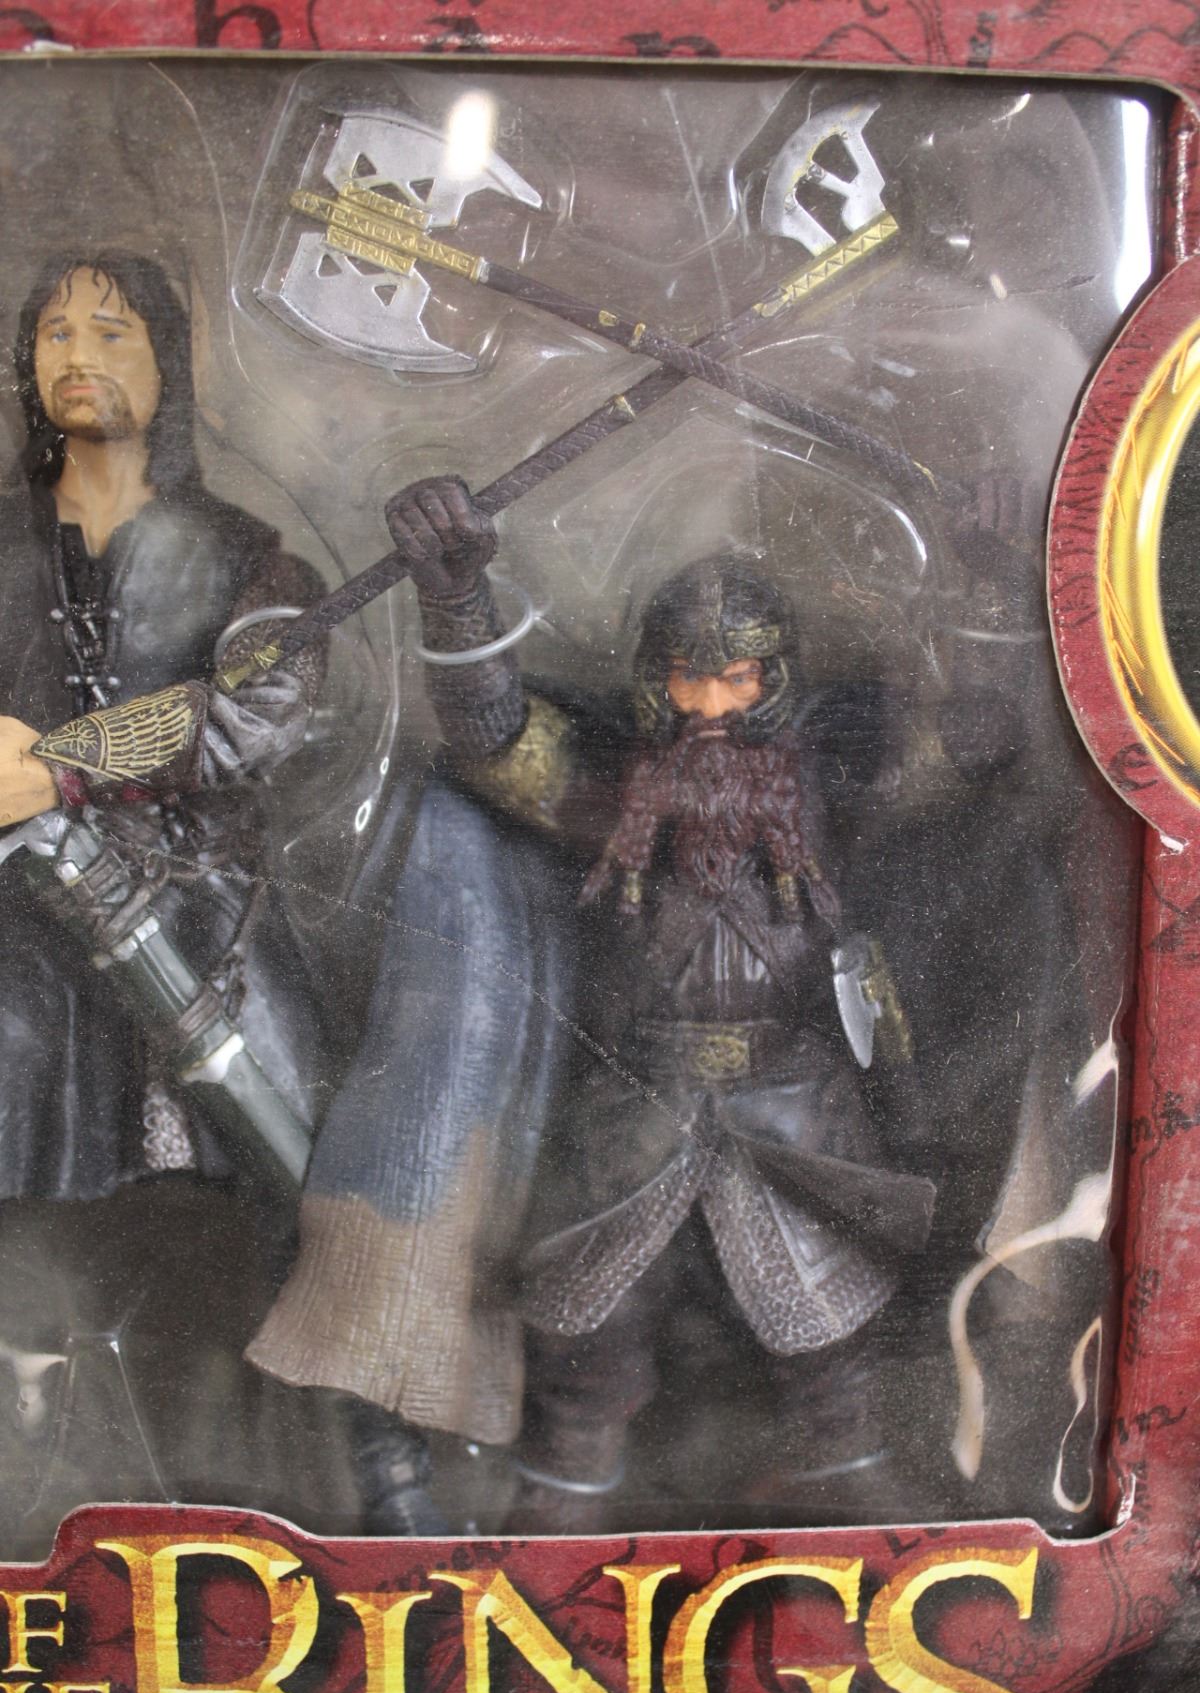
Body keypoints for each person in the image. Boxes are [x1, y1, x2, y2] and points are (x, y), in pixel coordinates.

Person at [381, 474, 937, 1531]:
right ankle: (561, 1497)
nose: (711, 708)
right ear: (654, 680)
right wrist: (455, 598)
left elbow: (966, 740)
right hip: (634, 1106)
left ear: (774, 680)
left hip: (796, 1104)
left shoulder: (830, 777)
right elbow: (495, 740)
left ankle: (855, 1487)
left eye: (737, 679)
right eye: (689, 680)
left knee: (830, 1347)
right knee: (588, 1343)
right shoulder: (613, 783)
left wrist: (993, 600)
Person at [0, 252, 340, 1548]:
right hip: (19, 938)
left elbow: (260, 713)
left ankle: (269, 1514)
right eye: (54, 330)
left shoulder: (248, 557)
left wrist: (61, 763)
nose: (79, 353)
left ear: (168, 362)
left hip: (199, 932)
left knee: (263, 1223)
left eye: (112, 329)